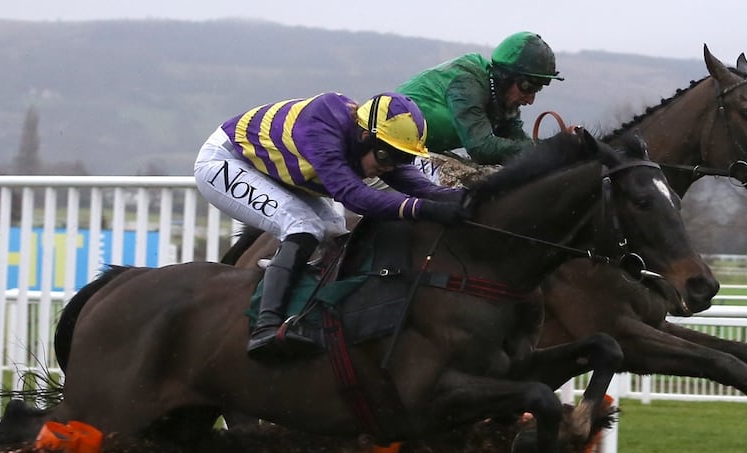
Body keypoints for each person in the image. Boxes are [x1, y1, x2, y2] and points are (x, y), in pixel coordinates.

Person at [194, 92, 467, 361]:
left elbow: (419, 186)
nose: (390, 167)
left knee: (334, 229)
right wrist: (419, 208)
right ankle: (265, 326)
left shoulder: (375, 141)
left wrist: (467, 199)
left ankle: (303, 309)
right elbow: (353, 194)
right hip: (226, 160)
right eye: (386, 156)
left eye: (401, 158)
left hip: (268, 168)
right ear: (364, 137)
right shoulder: (322, 127)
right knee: (303, 226)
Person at [397, 31, 564, 166]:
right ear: (505, 77)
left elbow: (516, 140)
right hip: (384, 153)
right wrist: (540, 148)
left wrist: (552, 150)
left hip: (416, 152)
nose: (530, 100)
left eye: (538, 89)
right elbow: (481, 148)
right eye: (528, 87)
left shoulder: (502, 97)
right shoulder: (468, 81)